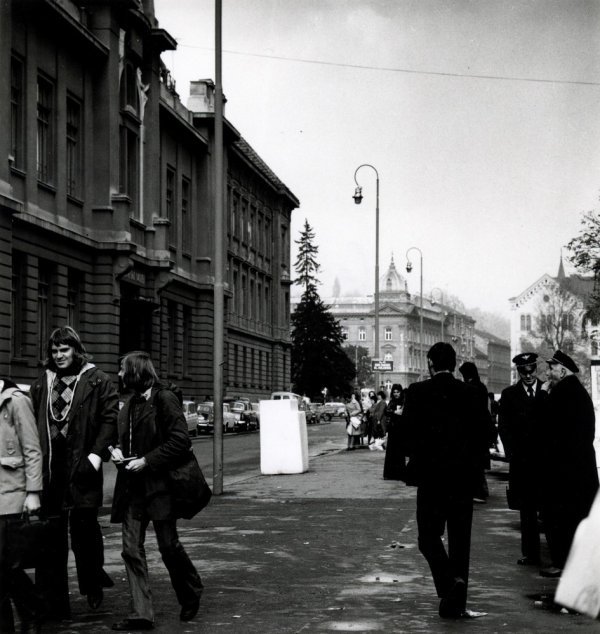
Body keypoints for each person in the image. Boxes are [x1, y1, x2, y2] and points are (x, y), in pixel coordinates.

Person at [110, 351, 203, 631]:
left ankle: (190, 590)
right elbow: (118, 439)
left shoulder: (164, 398)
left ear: (136, 372)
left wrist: (147, 460)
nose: (119, 375)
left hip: (161, 486)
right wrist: (114, 451)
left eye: (122, 369)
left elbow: (180, 441)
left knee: (168, 546)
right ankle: (141, 613)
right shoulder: (129, 404)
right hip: (133, 488)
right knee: (130, 549)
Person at [30, 326, 118, 620]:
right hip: (51, 467)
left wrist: (95, 456)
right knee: (50, 534)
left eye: (64, 350)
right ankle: (53, 603)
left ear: (76, 350)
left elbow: (109, 420)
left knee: (85, 529)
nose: (59, 356)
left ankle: (92, 583)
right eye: (54, 351)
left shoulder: (98, 380)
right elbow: (32, 420)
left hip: (82, 463)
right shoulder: (43, 381)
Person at [402, 342, 489, 619]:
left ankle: (449, 582)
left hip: (431, 479)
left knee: (428, 537)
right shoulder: (472, 393)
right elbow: (487, 433)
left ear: (429, 363)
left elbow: (406, 437)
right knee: (460, 541)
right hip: (463, 479)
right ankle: (456, 604)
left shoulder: (417, 392)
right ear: (453, 364)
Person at [538, 350, 599, 578]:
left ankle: (561, 563)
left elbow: (545, 424)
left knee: (559, 519)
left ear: (562, 370)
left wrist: (542, 396)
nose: (548, 373)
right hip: (579, 470)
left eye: (552, 368)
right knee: (574, 518)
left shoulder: (561, 392)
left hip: (564, 472)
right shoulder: (577, 391)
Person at [0, 378, 44, 633]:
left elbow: (32, 449)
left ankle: (34, 609)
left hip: (12, 497)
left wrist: (33, 492)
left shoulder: (16, 401)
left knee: (8, 567)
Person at [497, 352, 546, 567]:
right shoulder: (509, 395)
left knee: (548, 508)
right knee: (526, 511)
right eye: (523, 371)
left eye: (531, 370)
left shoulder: (548, 391)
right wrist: (512, 454)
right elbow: (504, 427)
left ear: (536, 369)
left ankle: (555, 554)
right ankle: (531, 554)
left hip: (545, 462)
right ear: (518, 371)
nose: (528, 375)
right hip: (523, 462)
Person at [458, 362, 495, 503]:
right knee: (478, 463)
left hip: (473, 430)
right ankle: (481, 489)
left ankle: (478, 492)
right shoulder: (482, 387)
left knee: (473, 463)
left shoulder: (470, 387)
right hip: (481, 429)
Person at [383, 384, 406, 480]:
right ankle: (390, 473)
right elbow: (386, 411)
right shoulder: (392, 402)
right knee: (391, 451)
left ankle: (400, 473)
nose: (396, 394)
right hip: (393, 429)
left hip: (401, 429)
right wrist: (394, 412)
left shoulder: (404, 401)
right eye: (394, 392)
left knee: (400, 451)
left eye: (398, 392)